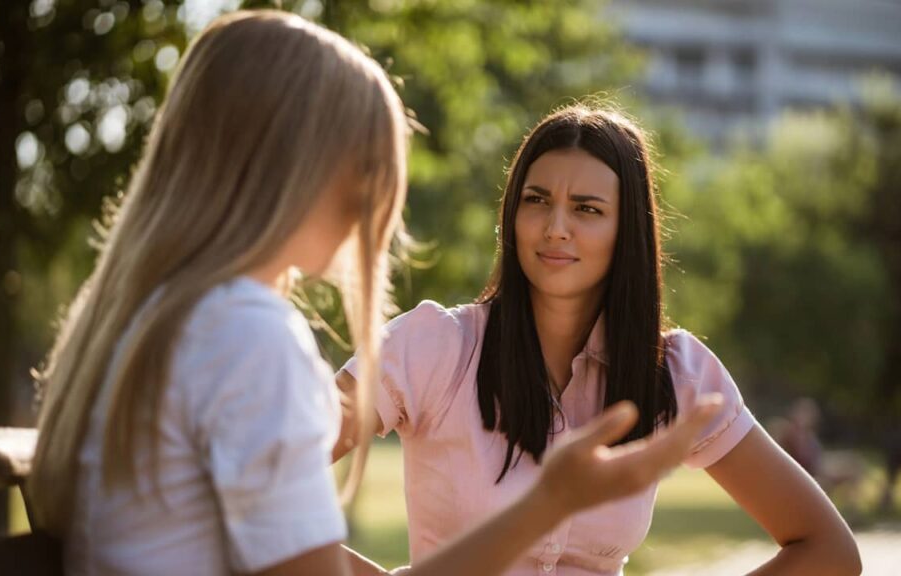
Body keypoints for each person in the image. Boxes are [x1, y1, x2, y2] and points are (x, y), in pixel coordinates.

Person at [25, 11, 723, 576]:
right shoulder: (247, 334)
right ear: (296, 166)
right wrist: (551, 502)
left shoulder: (157, 316)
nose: (378, 203)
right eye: (369, 165)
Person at [334, 104, 862, 575]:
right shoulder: (431, 347)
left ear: (627, 229)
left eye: (587, 209)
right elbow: (259, 484)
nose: (555, 227)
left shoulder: (677, 372)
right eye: (536, 200)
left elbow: (828, 550)